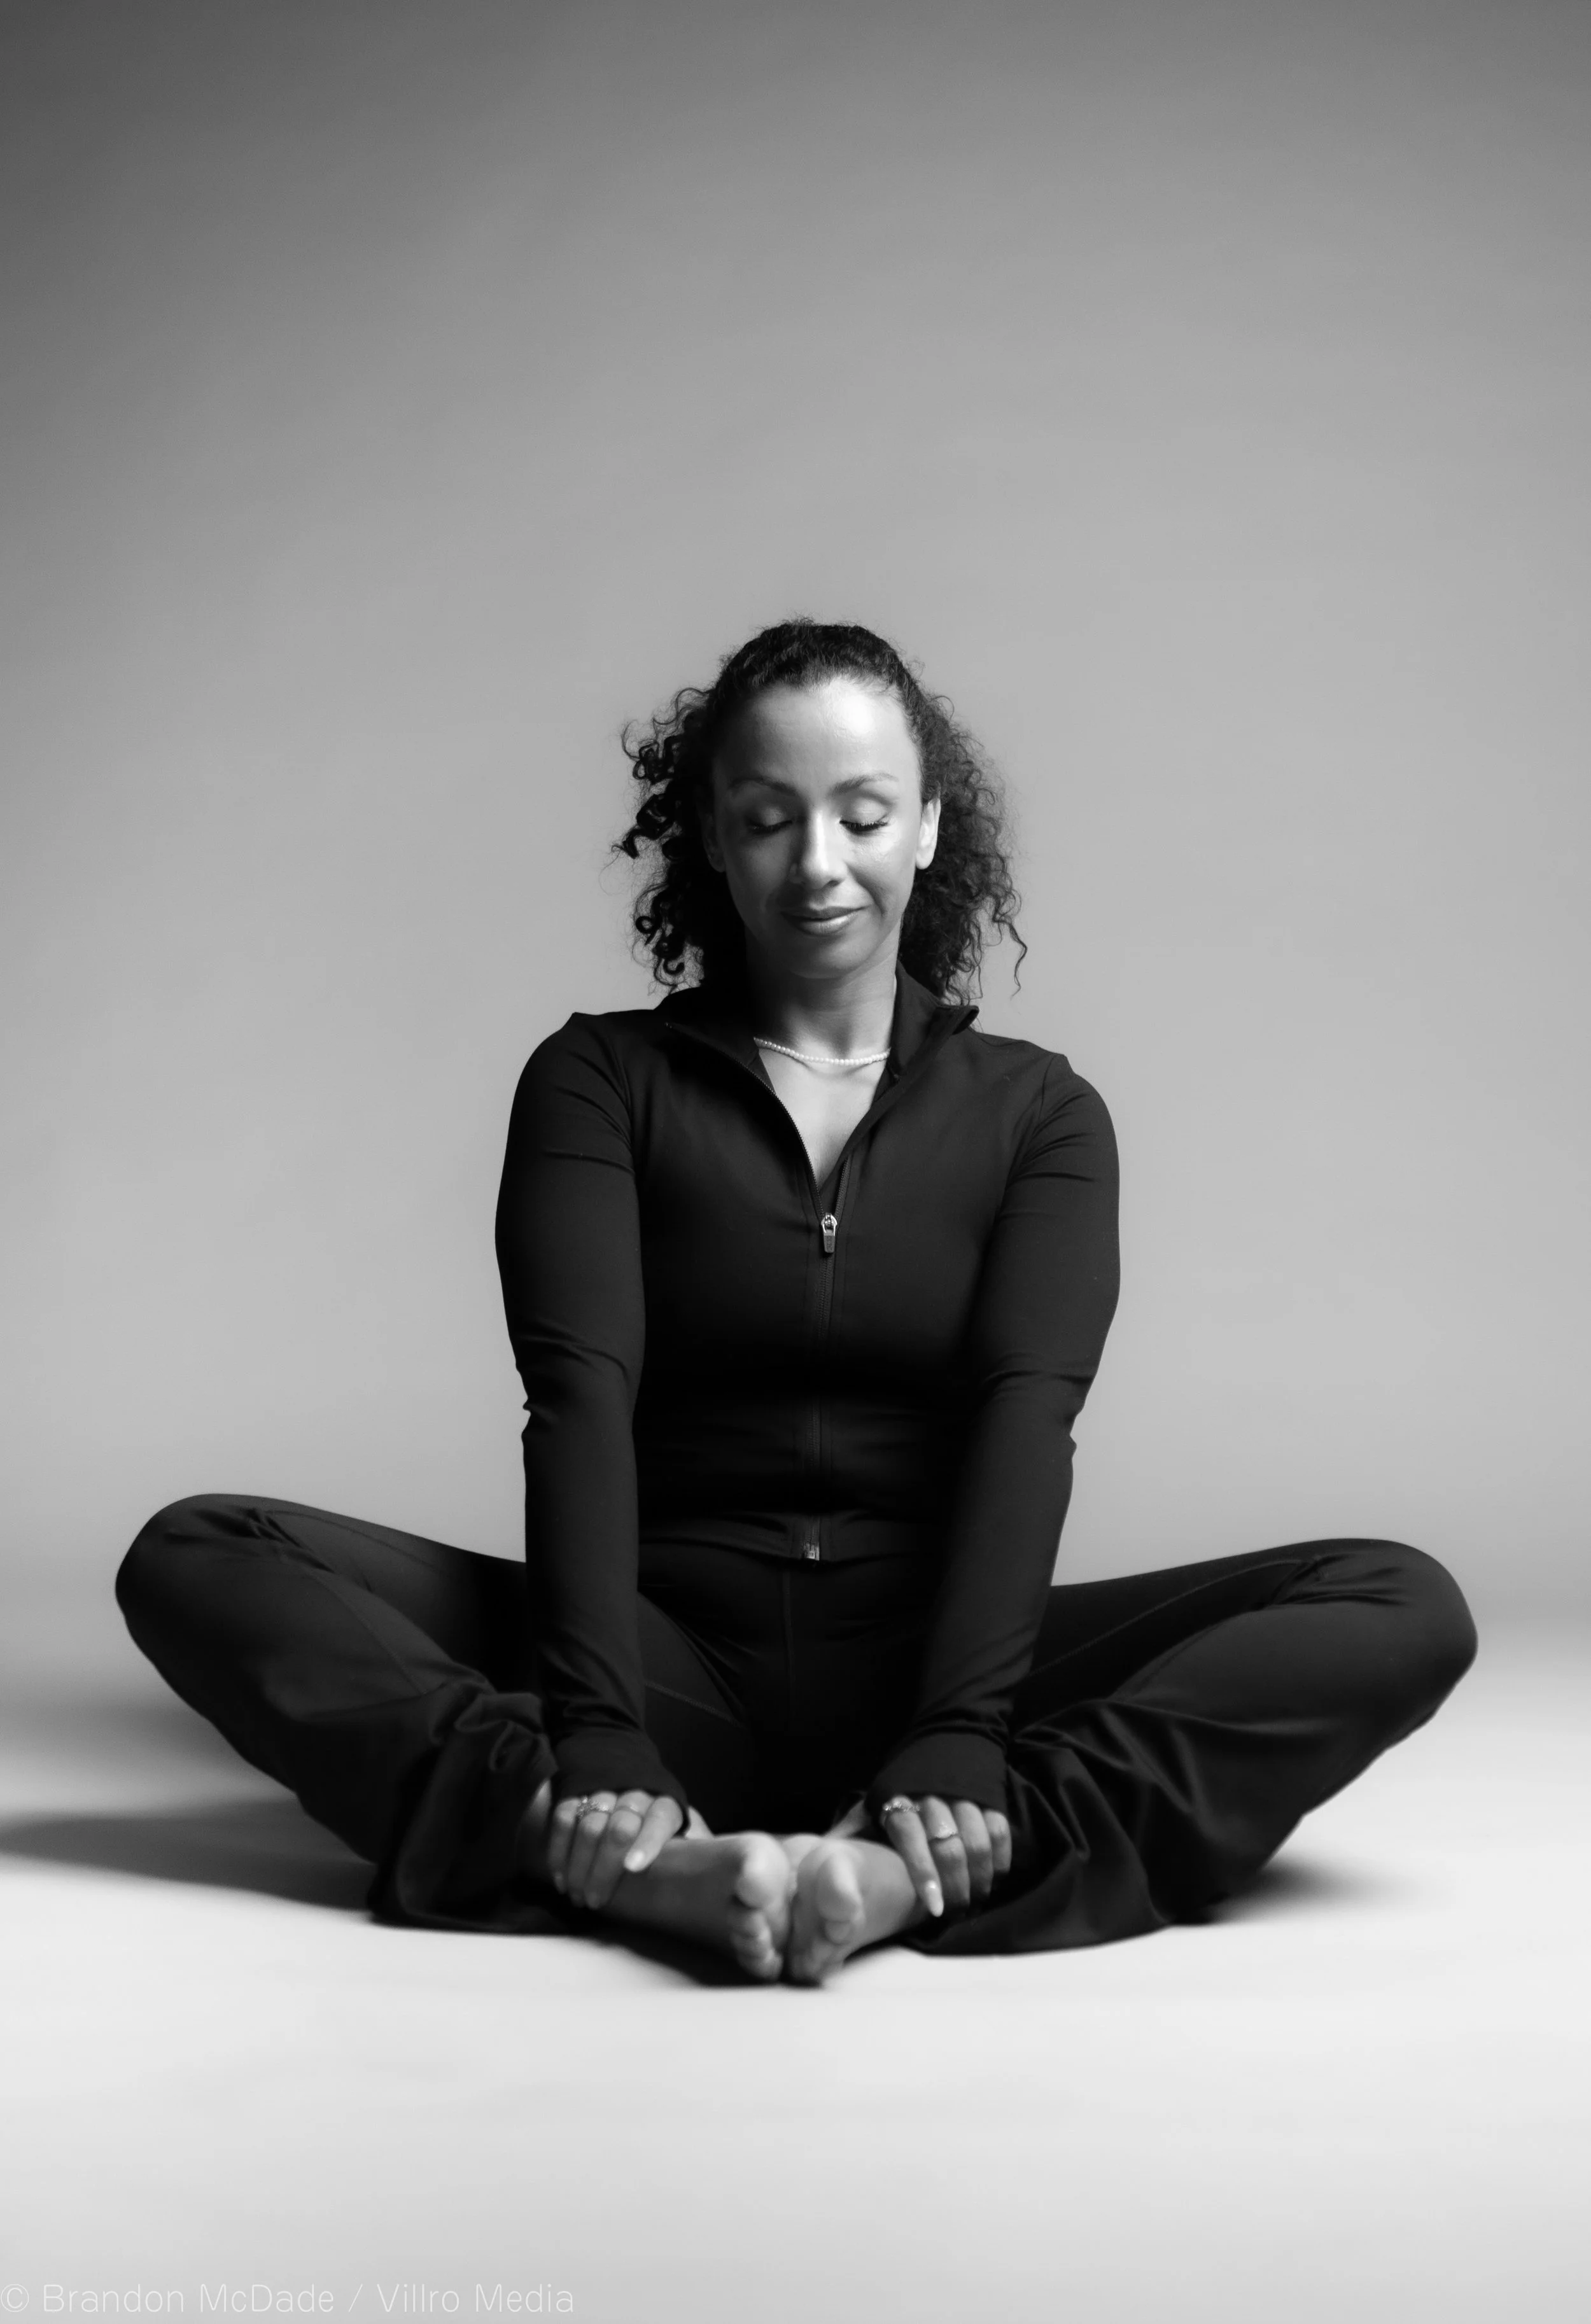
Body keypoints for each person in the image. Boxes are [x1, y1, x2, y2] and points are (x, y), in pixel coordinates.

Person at [116, 619, 1477, 1983]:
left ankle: (898, 1871)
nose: (818, 863)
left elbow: (1025, 1418)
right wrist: (597, 1730)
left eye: (862, 813)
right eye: (769, 817)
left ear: (928, 828)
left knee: (1396, 1599)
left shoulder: (1039, 1115)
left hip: (930, 1661)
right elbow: (578, 1395)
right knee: (199, 1549)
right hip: (663, 1654)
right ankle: (633, 1859)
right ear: (711, 836)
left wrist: (959, 1726)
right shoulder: (600, 1082)